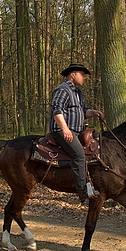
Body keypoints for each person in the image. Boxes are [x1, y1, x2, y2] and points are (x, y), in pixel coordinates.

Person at [49, 63, 103, 204]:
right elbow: (57, 110)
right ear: (73, 75)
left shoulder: (77, 93)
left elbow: (84, 111)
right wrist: (65, 129)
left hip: (77, 130)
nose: (84, 77)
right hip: (62, 131)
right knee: (79, 154)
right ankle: (83, 191)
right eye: (82, 74)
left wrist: (94, 113)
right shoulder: (63, 90)